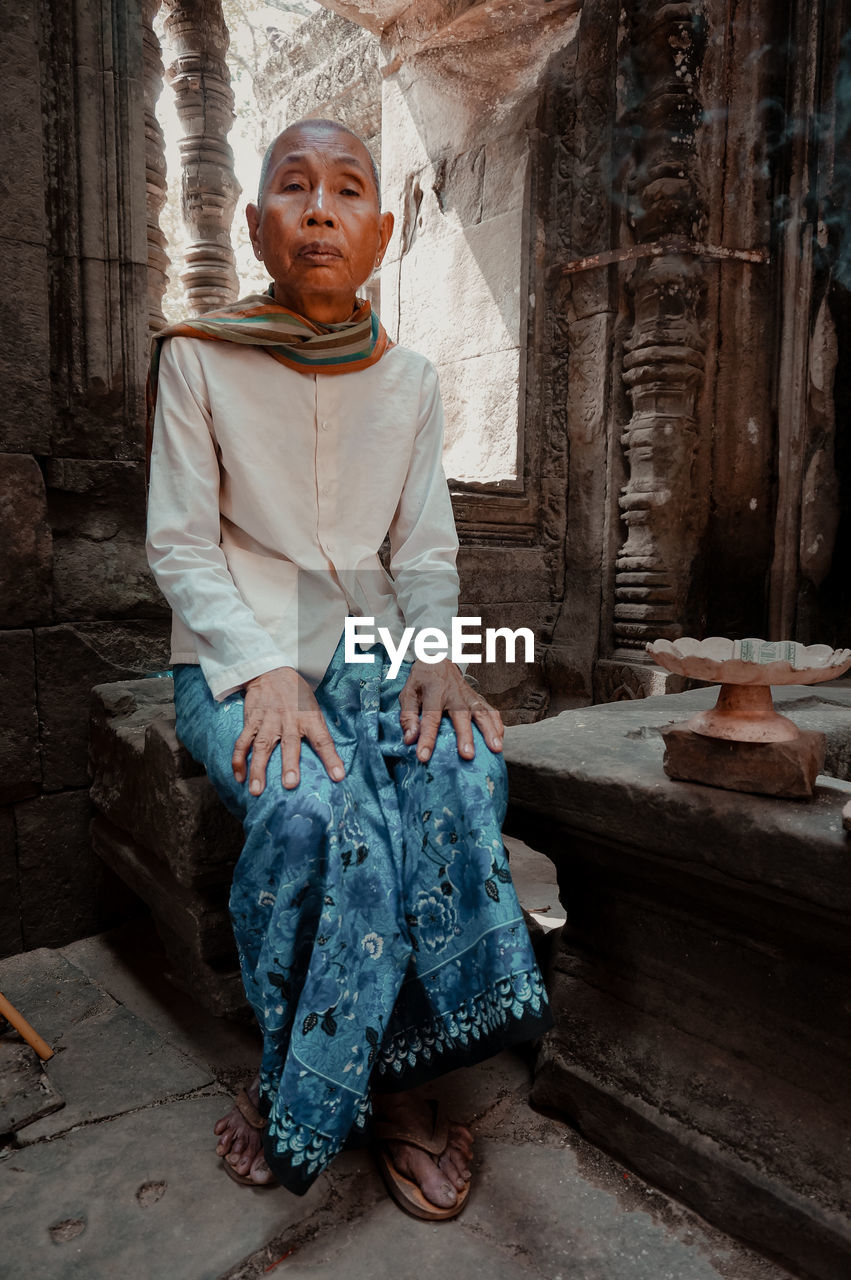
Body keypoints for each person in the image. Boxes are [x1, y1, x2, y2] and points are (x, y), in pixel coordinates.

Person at [145, 116, 552, 1221]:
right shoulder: (196, 358)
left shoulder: (410, 381)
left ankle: (411, 1083)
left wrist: (433, 655)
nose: (318, 207)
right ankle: (297, 1075)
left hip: (370, 646)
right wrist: (260, 667)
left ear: (379, 232)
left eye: (345, 190)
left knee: (456, 767)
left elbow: (419, 551)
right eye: (292, 186)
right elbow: (180, 544)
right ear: (256, 225)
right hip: (236, 660)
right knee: (309, 812)